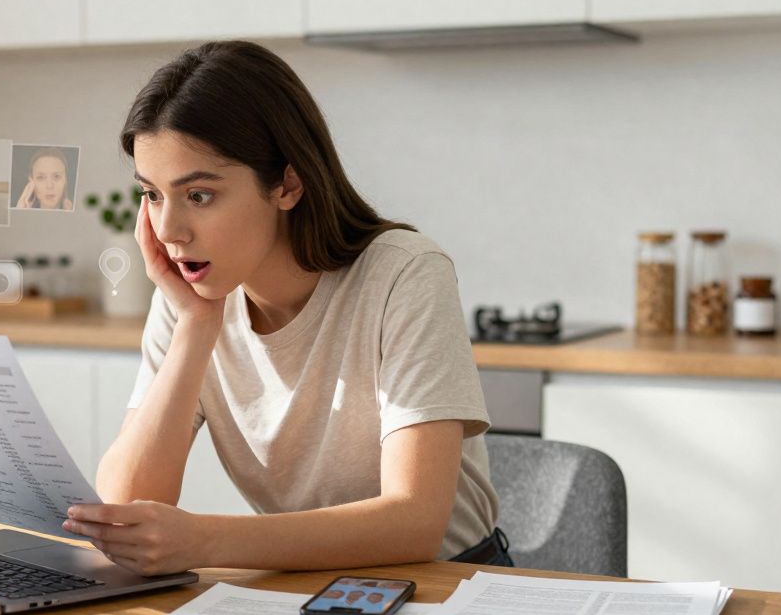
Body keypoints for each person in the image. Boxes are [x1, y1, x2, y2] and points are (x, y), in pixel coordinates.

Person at [60, 41, 507, 577]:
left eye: (198, 195)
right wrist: (196, 326)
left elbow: (415, 521)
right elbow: (124, 509)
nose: (170, 231)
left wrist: (204, 540)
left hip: (450, 584)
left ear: (287, 185)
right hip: (303, 586)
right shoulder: (189, 296)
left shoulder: (404, 274)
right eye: (153, 196)